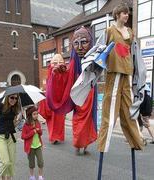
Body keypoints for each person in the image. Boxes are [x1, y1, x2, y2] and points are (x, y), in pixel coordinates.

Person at [96, 3, 145, 179]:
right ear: (118, 14)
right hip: (114, 73)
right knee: (110, 112)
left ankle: (136, 140)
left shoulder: (130, 33)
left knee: (130, 109)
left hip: (128, 73)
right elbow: (100, 50)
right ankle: (103, 145)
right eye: (125, 13)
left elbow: (134, 53)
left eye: (128, 13)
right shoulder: (110, 31)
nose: (127, 16)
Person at [43, 27, 97, 155]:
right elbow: (67, 76)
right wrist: (59, 73)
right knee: (78, 120)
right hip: (78, 95)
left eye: (84, 42)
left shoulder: (95, 57)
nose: (79, 47)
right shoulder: (73, 62)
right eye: (76, 43)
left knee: (88, 121)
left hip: (89, 93)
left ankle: (85, 145)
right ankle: (78, 145)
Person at [0, 94, 20, 180]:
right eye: (12, 97)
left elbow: (13, 124)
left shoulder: (14, 109)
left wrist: (18, 120)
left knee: (11, 161)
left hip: (12, 136)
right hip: (0, 137)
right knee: (6, 162)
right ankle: (1, 177)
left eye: (16, 98)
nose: (14, 100)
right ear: (7, 98)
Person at [21, 105, 44, 180]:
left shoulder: (37, 122)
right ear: (30, 115)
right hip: (30, 147)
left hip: (38, 146)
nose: (36, 115)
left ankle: (40, 176)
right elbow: (23, 136)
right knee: (31, 164)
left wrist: (38, 130)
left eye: (37, 113)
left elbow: (40, 133)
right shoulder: (26, 125)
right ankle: (32, 176)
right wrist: (32, 131)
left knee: (41, 162)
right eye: (34, 114)